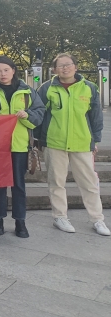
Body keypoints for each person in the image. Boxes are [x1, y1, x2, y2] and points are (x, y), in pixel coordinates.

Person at [37, 53, 108, 236]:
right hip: (54, 142)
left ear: (76, 67)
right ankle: (60, 217)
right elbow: (38, 114)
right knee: (56, 182)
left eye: (68, 64)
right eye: (60, 66)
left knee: (89, 183)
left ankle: (97, 219)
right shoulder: (47, 88)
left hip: (82, 142)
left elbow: (96, 117)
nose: (65, 68)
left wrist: (94, 140)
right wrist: (38, 140)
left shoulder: (89, 88)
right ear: (54, 70)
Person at [0, 56, 44, 238]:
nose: (2, 74)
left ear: (13, 70)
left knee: (18, 185)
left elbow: (39, 113)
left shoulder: (27, 92)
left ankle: (20, 221)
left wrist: (27, 116)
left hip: (20, 146)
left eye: (6, 70)